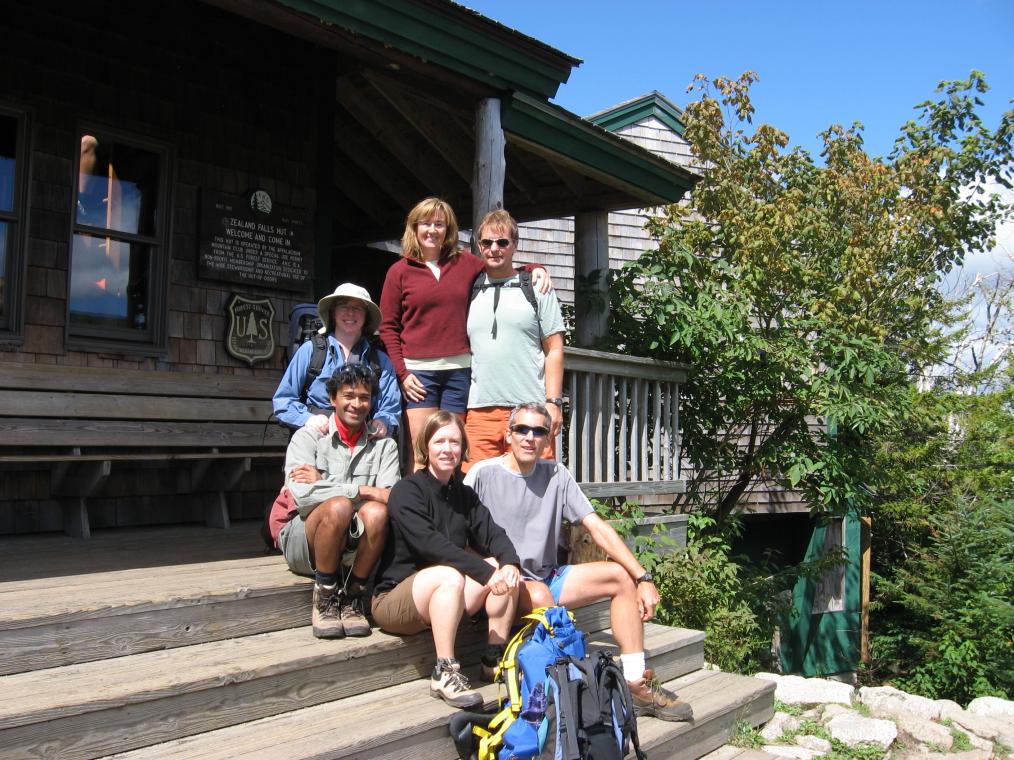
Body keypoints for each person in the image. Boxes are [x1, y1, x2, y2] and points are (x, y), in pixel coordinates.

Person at [463, 402, 694, 723]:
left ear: (548, 438)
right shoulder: (483, 474)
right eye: (522, 429)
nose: (530, 437)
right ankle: (544, 679)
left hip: (548, 576)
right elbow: (458, 533)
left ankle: (636, 681)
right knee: (541, 598)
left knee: (619, 576)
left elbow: (597, 527)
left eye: (539, 431)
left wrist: (643, 576)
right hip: (505, 585)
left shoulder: (556, 474)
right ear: (508, 434)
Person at [378, 198, 551, 466]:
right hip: (418, 375)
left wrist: (535, 268)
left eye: (439, 224)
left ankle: (452, 509)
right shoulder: (399, 271)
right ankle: (420, 509)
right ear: (414, 228)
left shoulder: (464, 263)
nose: (432, 230)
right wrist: (402, 372)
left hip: (459, 372)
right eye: (426, 224)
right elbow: (388, 326)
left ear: (448, 230)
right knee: (423, 452)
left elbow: (501, 266)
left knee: (453, 454)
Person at [371, 410, 521, 708]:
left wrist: (510, 563)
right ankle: (445, 671)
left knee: (500, 568)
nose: (447, 449)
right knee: (451, 574)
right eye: (440, 441)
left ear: (463, 448)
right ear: (426, 446)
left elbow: (492, 533)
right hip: (395, 600)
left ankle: (492, 658)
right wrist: (484, 573)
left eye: (454, 442)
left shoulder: (464, 494)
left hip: (445, 596)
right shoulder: (406, 491)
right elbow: (431, 545)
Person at [269, 364, 401, 639]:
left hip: (355, 544)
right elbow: (302, 497)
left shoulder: (384, 445)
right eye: (348, 395)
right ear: (333, 399)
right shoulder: (307, 438)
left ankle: (354, 595)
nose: (356, 404)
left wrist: (325, 483)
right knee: (340, 506)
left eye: (364, 397)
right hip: (305, 542)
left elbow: (392, 499)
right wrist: (364, 490)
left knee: (376, 512)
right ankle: (326, 596)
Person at [463, 210, 565, 468]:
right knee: (477, 490)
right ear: (479, 245)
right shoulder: (468, 289)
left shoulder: (537, 288)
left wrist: (554, 403)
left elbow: (554, 349)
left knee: (536, 488)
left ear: (515, 245)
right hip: (480, 409)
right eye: (487, 242)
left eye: (502, 242)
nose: (494, 249)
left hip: (529, 409)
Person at [274, 282, 400, 439]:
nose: (350, 313)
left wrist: (382, 422)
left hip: (362, 444)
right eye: (343, 306)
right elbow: (283, 401)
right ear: (333, 312)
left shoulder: (380, 361)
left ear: (366, 316)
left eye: (357, 308)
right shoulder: (310, 351)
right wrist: (307, 419)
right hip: (317, 440)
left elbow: (390, 408)